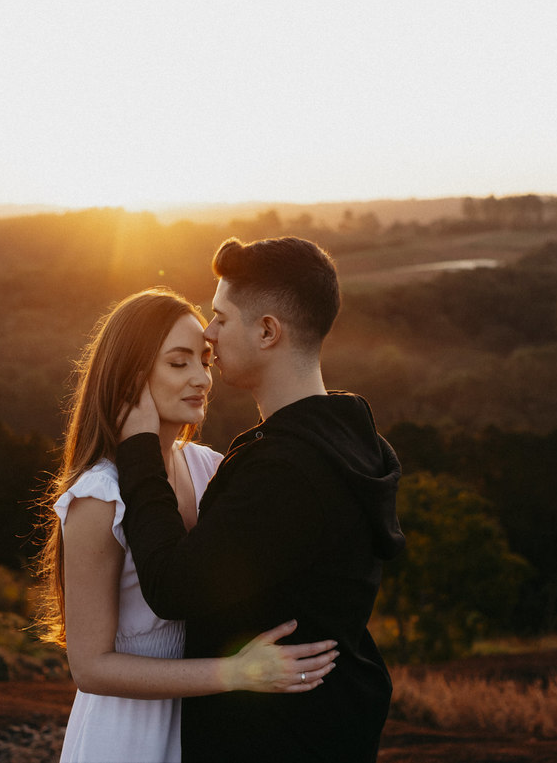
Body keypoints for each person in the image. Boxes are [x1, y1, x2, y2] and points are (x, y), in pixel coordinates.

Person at [117, 237, 405, 763]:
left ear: (268, 331)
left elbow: (171, 586)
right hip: (328, 723)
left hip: (275, 738)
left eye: (222, 318)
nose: (209, 332)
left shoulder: (285, 470)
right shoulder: (354, 441)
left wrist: (137, 452)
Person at [33, 287, 340, 763]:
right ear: (131, 380)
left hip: (205, 727)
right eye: (178, 363)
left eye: (204, 360)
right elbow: (90, 668)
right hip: (127, 734)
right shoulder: (100, 496)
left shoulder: (209, 467)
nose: (201, 378)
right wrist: (233, 674)